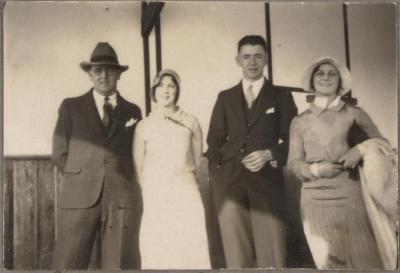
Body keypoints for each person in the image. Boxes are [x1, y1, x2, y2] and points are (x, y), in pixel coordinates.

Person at [205, 35, 298, 268]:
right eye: (246, 56)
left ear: (266, 58)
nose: (252, 62)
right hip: (229, 182)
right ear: (238, 60)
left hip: (267, 180)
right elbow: (213, 141)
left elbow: (295, 139)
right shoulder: (225, 97)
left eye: (258, 56)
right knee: (236, 253)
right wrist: (218, 175)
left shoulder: (281, 96)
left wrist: (269, 154)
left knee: (272, 252)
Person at [287, 57, 384, 269]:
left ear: (340, 82)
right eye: (320, 73)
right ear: (312, 82)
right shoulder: (299, 121)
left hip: (351, 196)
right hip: (315, 200)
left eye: (332, 73)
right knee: (330, 264)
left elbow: (382, 145)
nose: (326, 77)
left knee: (367, 261)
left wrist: (361, 149)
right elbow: (293, 164)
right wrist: (316, 169)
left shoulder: (355, 114)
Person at [51, 42, 142, 269]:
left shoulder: (133, 111)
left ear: (118, 75)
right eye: (98, 70)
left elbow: (137, 155)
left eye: (110, 70)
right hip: (79, 196)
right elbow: (59, 153)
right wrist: (82, 176)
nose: (104, 75)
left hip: (120, 197)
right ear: (90, 74)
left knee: (119, 263)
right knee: (69, 262)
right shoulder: (71, 107)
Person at [133, 69, 211, 269]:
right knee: (159, 247)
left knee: (190, 247)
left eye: (171, 85)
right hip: (157, 196)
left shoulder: (190, 122)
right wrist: (150, 194)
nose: (165, 90)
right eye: (160, 85)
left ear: (177, 90)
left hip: (186, 194)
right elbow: (139, 167)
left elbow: (197, 162)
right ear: (153, 90)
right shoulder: (143, 126)